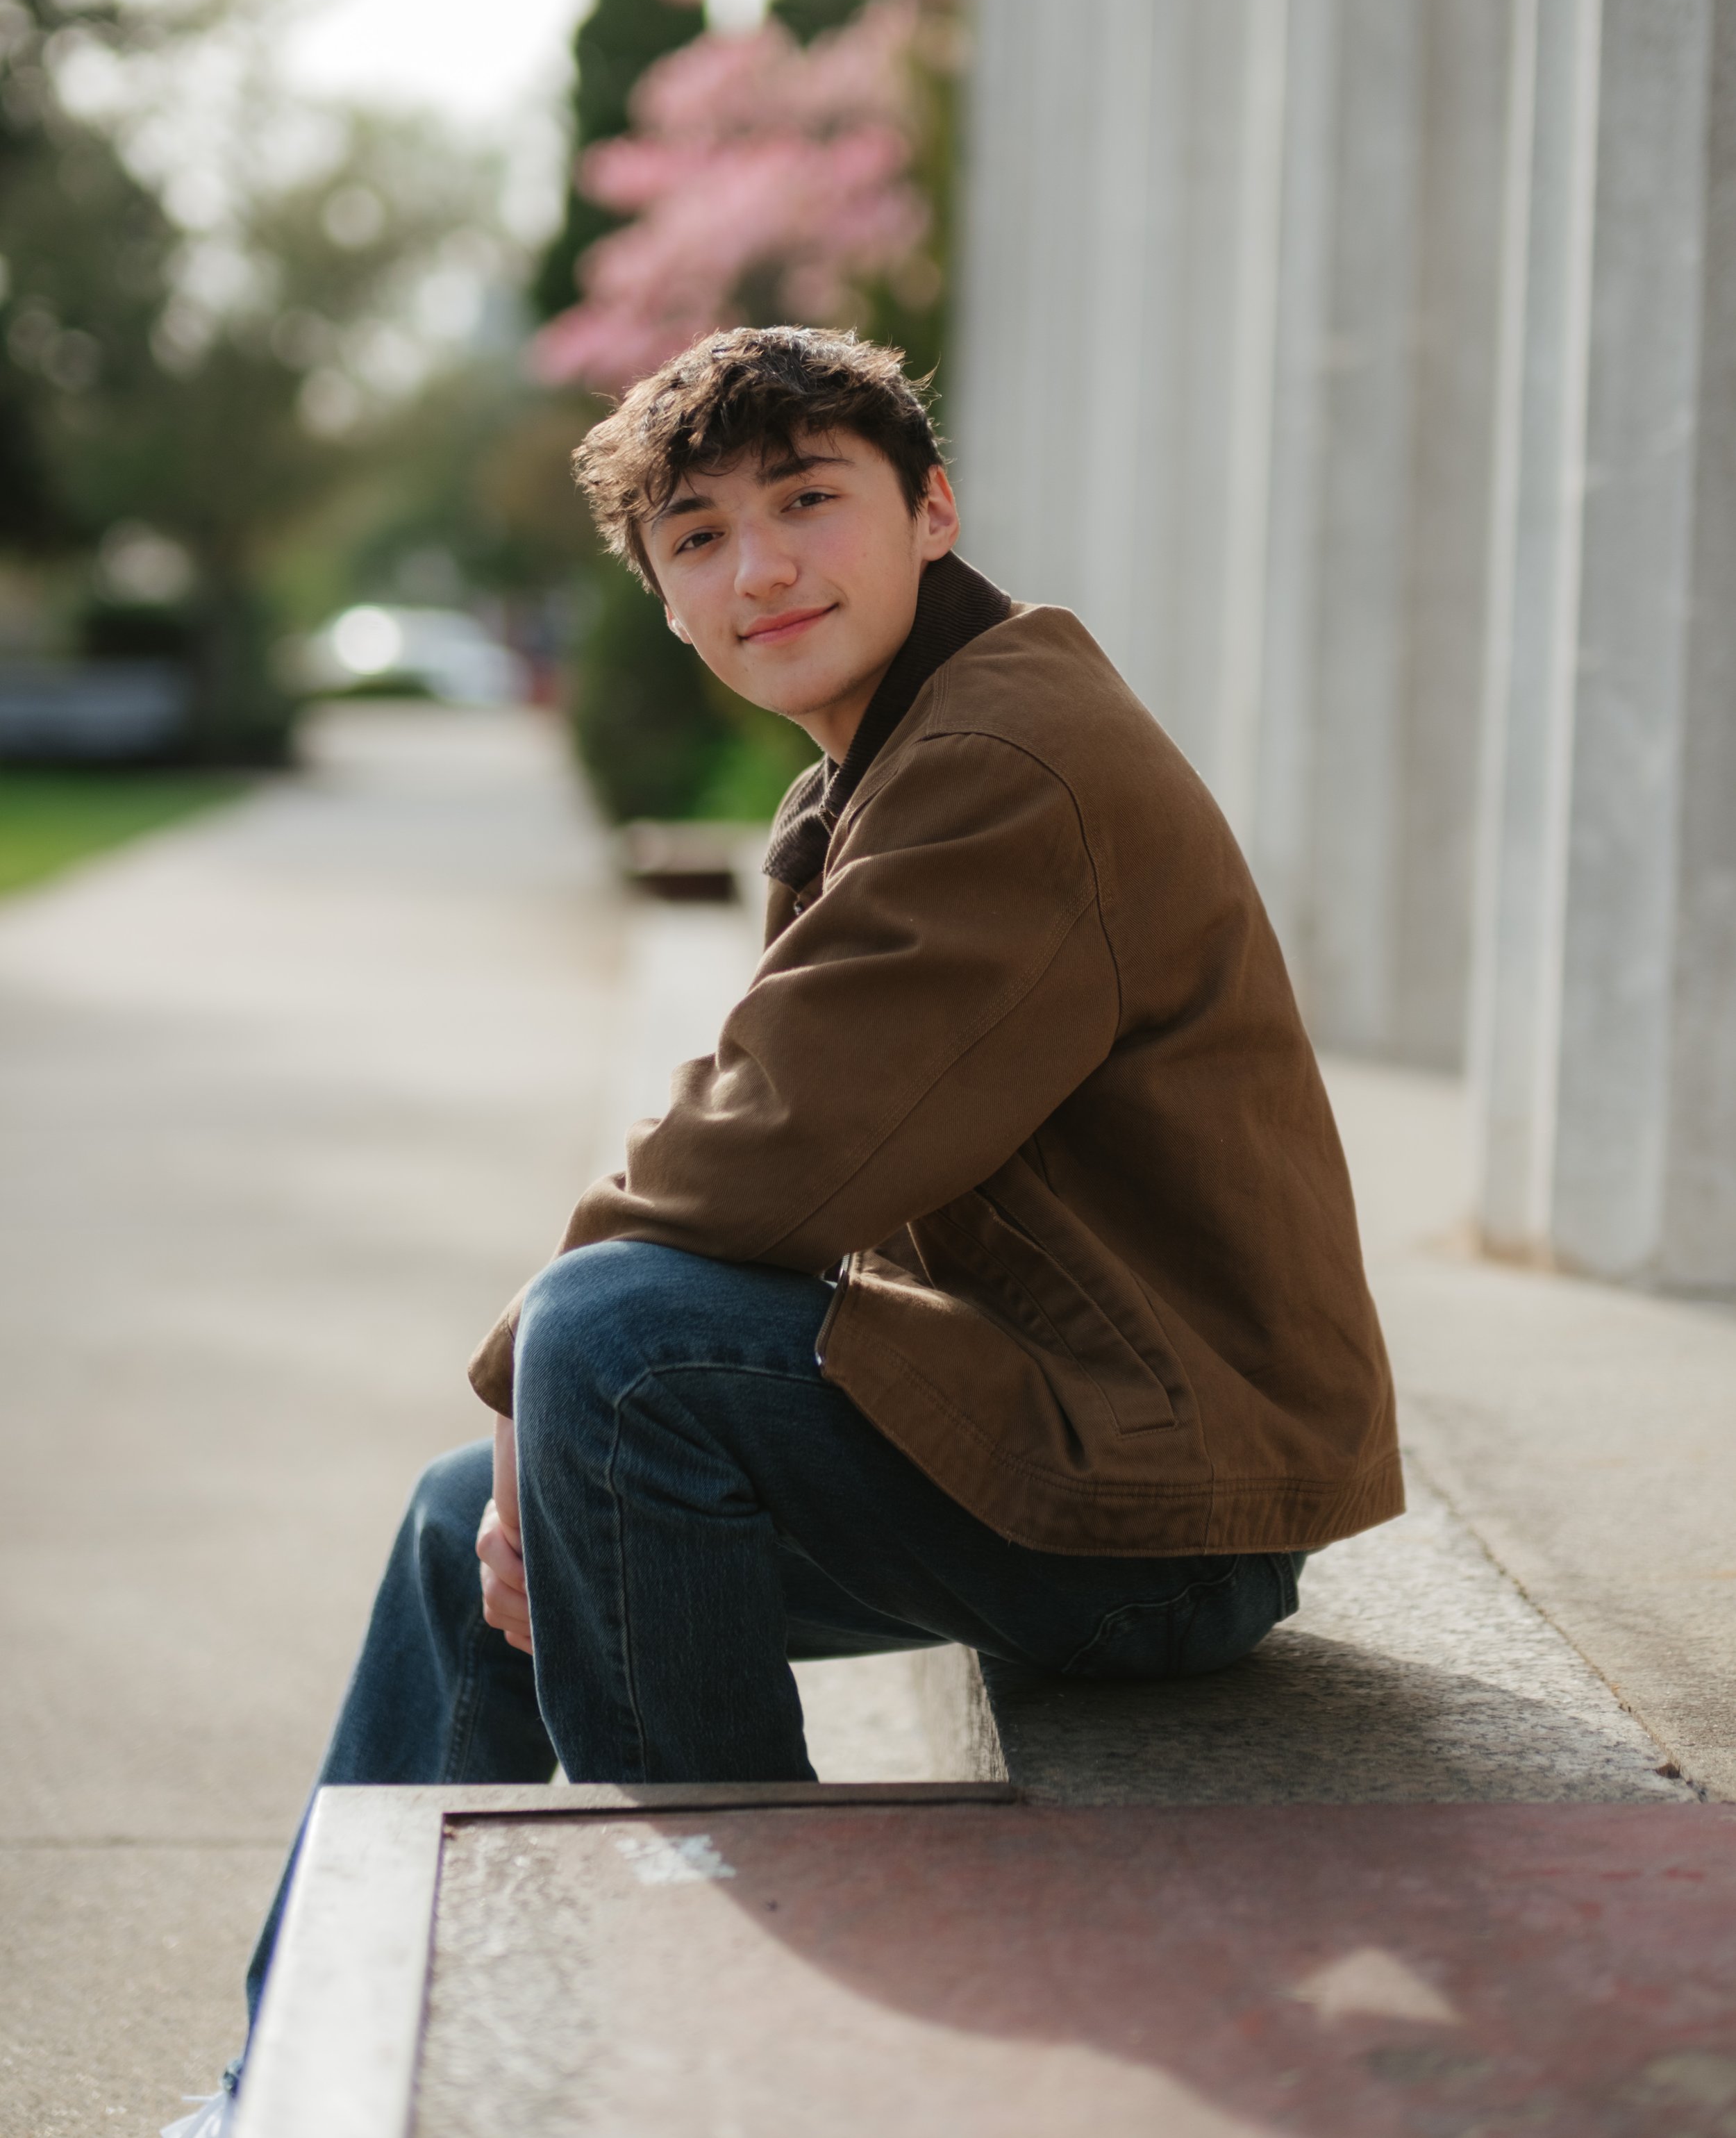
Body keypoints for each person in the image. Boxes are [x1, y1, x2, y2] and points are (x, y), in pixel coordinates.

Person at [170, 323, 1399, 2136]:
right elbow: (759, 1110)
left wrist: (538, 1357)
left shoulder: (1009, 761)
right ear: (659, 595)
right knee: (466, 1531)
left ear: (930, 511)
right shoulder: (880, 772)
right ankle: (298, 2095)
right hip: (1065, 1450)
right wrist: (535, 1438)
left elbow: (781, 1157)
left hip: (1167, 1514)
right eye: (695, 537)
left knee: (615, 1345)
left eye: (807, 502)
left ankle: (723, 2049)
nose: (757, 570)